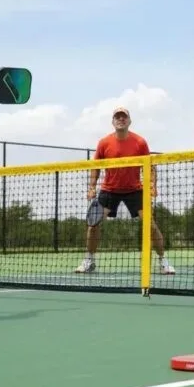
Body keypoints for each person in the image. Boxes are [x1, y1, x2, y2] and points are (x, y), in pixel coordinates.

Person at [75, 106, 175, 275]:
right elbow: (95, 167)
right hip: (109, 190)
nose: (120, 119)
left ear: (129, 121)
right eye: (117, 117)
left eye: (124, 117)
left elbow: (150, 166)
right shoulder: (104, 143)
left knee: (150, 224)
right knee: (93, 225)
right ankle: (89, 260)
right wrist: (92, 187)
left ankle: (163, 261)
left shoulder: (140, 142)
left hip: (134, 190)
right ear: (113, 121)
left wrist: (152, 185)